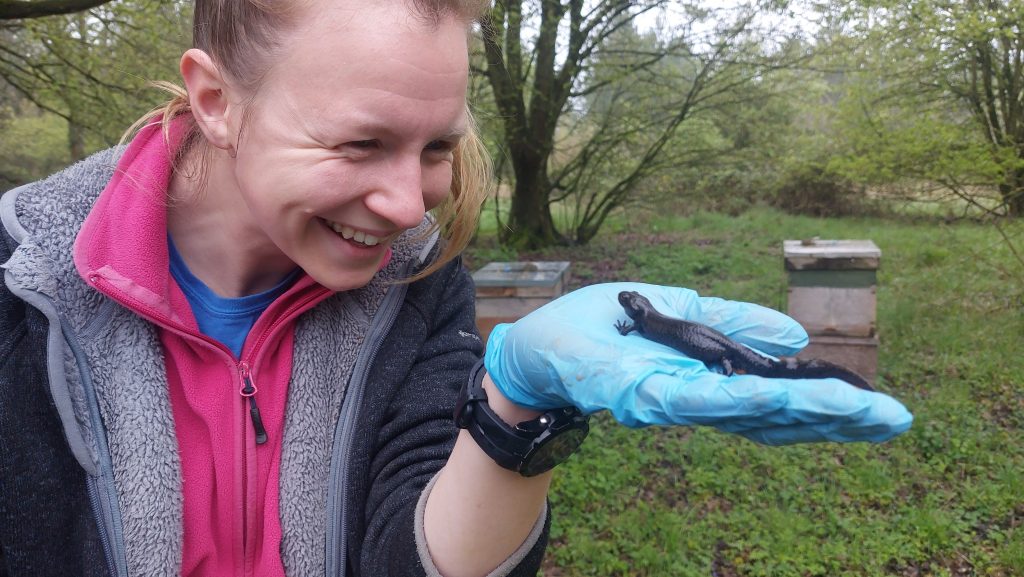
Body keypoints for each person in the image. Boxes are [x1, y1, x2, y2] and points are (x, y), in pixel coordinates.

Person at [0, 0, 913, 576]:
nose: (408, 205)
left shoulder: (420, 283)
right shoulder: (22, 290)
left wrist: (515, 403)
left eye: (437, 146)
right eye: (360, 144)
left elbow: (418, 559)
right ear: (215, 101)